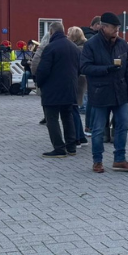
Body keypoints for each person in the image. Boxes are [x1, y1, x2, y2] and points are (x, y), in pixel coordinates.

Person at [80, 12, 128, 174]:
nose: (117, 31)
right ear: (104, 27)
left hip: (120, 93)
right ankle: (97, 161)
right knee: (98, 129)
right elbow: (84, 68)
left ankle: (120, 159)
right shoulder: (91, 45)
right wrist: (106, 69)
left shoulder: (122, 45)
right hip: (100, 93)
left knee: (123, 125)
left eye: (118, 28)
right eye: (114, 28)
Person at [34, 22, 81, 158]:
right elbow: (78, 69)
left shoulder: (50, 48)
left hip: (52, 89)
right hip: (70, 88)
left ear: (51, 31)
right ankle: (71, 147)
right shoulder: (74, 47)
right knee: (68, 117)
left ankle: (59, 148)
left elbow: (43, 70)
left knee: (52, 119)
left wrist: (40, 83)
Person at [67, 27, 89, 147]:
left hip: (77, 80)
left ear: (74, 36)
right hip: (81, 80)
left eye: (69, 34)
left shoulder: (78, 49)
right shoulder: (84, 46)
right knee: (74, 109)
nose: (67, 35)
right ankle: (81, 137)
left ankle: (77, 138)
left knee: (73, 109)